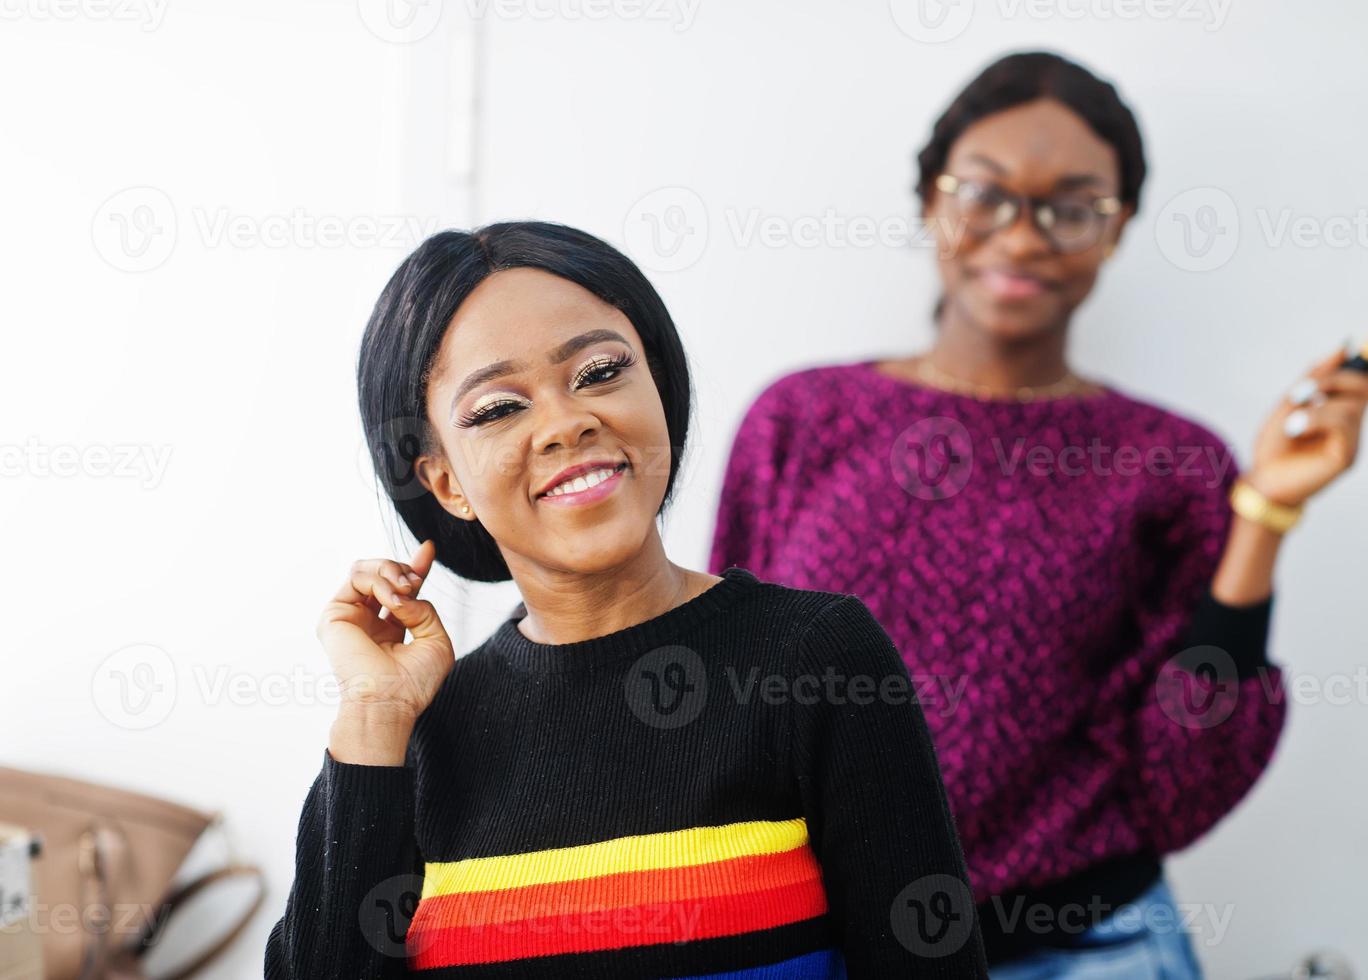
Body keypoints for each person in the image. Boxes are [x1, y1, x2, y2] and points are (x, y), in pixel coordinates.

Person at [708, 51, 1368, 977]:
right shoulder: (802, 418)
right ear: (929, 201)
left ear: (1115, 231)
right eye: (985, 195)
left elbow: (1185, 787)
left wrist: (1264, 511)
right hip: (821, 942)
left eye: (1071, 208)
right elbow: (728, 696)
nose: (1023, 238)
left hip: (1089, 948)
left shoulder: (1172, 463)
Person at [264, 221, 990, 978]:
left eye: (600, 371)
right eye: (497, 409)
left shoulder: (816, 659)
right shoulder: (416, 731)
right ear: (445, 482)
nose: (567, 422)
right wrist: (374, 719)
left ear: (659, 389)